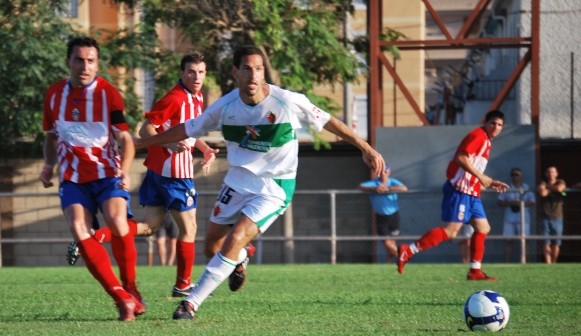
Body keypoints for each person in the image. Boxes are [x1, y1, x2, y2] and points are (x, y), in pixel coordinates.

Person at [134, 45, 385, 320]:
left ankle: (190, 304)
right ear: (235, 72)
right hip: (238, 181)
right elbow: (186, 129)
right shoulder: (224, 106)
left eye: (258, 68)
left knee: (236, 237)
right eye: (246, 69)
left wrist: (365, 147)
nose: (253, 75)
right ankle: (240, 259)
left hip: (274, 186)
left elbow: (328, 121)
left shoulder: (287, 100)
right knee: (211, 246)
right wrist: (145, 142)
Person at [65, 52, 218, 298]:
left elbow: (188, 130)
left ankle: (92, 238)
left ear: (205, 74)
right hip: (174, 174)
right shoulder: (176, 98)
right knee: (189, 229)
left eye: (200, 72)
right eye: (191, 71)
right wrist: (167, 145)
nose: (196, 76)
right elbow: (146, 128)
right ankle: (183, 284)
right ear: (181, 74)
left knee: (149, 226)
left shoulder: (196, 97)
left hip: (160, 172)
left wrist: (205, 148)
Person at [39, 36, 143, 322]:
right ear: (68, 62)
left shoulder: (108, 94)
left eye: (90, 61)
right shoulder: (53, 95)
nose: (84, 66)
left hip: (108, 174)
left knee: (118, 222)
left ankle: (132, 288)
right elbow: (50, 136)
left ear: (97, 64)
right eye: (79, 60)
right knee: (78, 227)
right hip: (73, 178)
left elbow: (126, 138)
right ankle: (121, 298)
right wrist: (49, 165)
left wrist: (125, 167)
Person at [397, 110, 509, 280]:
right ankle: (409, 250)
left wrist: (489, 181)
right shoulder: (478, 135)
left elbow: (474, 167)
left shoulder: (486, 141)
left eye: (500, 124)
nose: (496, 127)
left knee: (483, 228)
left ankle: (474, 271)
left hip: (472, 192)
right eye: (493, 123)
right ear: (485, 123)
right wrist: (481, 177)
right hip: (460, 190)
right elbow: (461, 159)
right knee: (450, 231)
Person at [358, 165, 407, 263]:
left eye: (385, 172)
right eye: (381, 172)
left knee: (392, 241)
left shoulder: (392, 182)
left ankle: (389, 262)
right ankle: (402, 257)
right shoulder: (374, 183)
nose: (383, 174)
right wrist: (374, 189)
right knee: (387, 241)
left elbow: (404, 188)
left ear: (389, 172)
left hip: (393, 215)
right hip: (381, 216)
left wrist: (387, 189)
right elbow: (361, 187)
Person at [497, 167, 535, 263]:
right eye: (513, 175)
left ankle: (525, 263)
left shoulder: (526, 188)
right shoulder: (507, 188)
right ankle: (506, 263)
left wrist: (521, 204)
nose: (515, 177)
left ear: (520, 175)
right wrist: (511, 203)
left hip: (524, 219)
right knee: (509, 241)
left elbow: (532, 201)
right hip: (509, 219)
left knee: (525, 241)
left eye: (517, 174)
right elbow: (500, 202)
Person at [537, 166, 566, 264]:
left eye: (553, 172)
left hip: (557, 217)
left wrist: (549, 188)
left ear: (556, 174)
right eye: (549, 172)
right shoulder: (542, 182)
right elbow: (543, 193)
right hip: (544, 217)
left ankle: (554, 263)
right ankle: (548, 264)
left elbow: (559, 189)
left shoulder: (560, 181)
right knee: (546, 243)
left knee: (556, 243)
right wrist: (552, 189)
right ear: (546, 174)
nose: (551, 174)